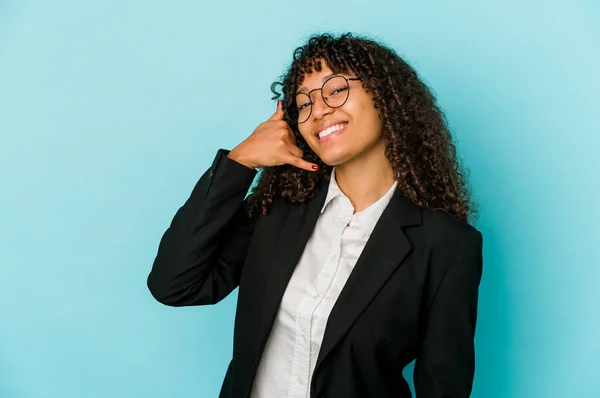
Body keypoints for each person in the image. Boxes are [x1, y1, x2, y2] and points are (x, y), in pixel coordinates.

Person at [147, 32, 484, 398]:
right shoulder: (277, 210)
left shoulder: (447, 245)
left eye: (335, 89)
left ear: (384, 97)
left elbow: (444, 385)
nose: (318, 109)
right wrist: (239, 162)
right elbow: (174, 284)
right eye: (303, 103)